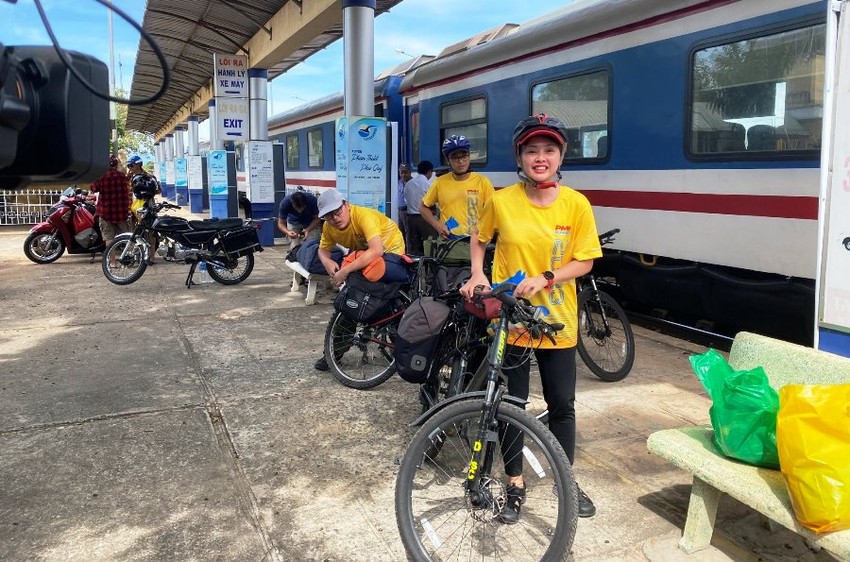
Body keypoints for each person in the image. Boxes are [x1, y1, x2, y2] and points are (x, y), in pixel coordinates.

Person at [460, 113, 603, 523]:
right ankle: (515, 482)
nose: (540, 158)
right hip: (514, 322)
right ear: (519, 157)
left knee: (563, 406)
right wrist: (477, 272)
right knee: (513, 405)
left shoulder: (576, 204)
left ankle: (565, 481)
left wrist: (548, 277)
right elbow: (479, 237)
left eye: (549, 150)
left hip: (558, 322)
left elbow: (586, 260)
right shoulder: (501, 200)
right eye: (531, 150)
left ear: (561, 156)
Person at [313, 188, 407, 371]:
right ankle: (334, 353)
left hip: (390, 253)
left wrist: (344, 271)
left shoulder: (364, 216)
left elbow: (377, 251)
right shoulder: (329, 227)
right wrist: (327, 262)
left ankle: (401, 347)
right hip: (364, 255)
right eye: (328, 216)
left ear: (346, 205)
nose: (335, 218)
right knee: (351, 301)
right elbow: (323, 250)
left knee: (389, 299)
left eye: (337, 211)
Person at [419, 135, 494, 238]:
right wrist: (438, 226)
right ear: (448, 160)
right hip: (449, 242)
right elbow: (423, 207)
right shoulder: (440, 182)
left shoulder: (483, 182)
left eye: (464, 156)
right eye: (455, 157)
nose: (460, 161)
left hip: (476, 240)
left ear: (469, 156)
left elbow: (494, 211)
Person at [89, 155, 131, 249]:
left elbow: (93, 188)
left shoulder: (101, 176)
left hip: (106, 213)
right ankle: (130, 257)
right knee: (127, 237)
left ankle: (112, 263)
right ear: (116, 165)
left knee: (109, 238)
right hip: (121, 214)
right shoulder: (122, 176)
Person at [403, 160, 437, 255]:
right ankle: (428, 267)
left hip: (410, 219)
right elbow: (432, 203)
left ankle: (415, 267)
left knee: (414, 246)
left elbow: (406, 199)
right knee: (430, 245)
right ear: (429, 171)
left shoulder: (408, 184)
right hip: (424, 219)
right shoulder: (428, 185)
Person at [397, 163, 412, 244]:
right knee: (400, 232)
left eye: (405, 172)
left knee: (408, 233)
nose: (403, 175)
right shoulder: (399, 182)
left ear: (409, 172)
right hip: (400, 211)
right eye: (401, 172)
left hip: (407, 211)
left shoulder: (413, 183)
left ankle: (409, 252)